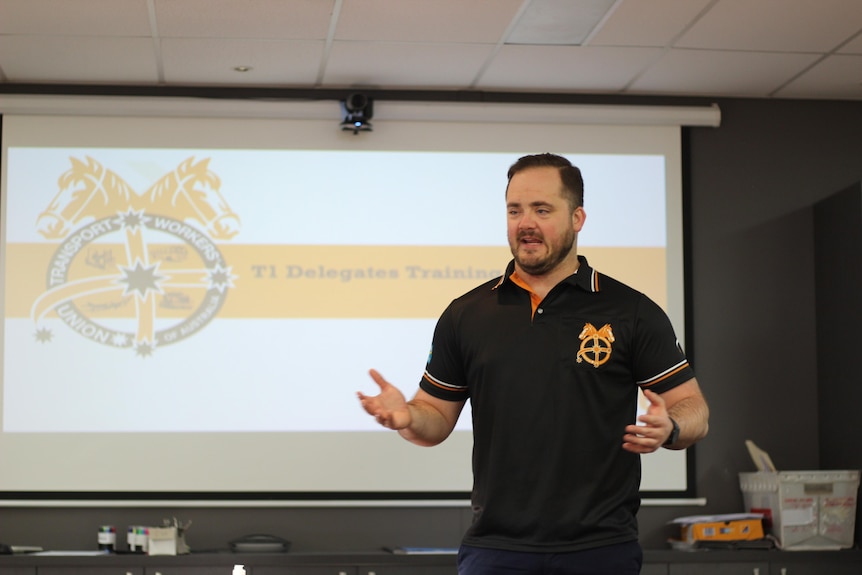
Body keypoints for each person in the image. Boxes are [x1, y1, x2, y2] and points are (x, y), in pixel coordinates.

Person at [358, 153, 709, 575]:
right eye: (515, 210)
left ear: (577, 218)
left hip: (600, 549)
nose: (526, 223)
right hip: (496, 549)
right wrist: (407, 417)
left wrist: (671, 427)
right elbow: (434, 419)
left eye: (542, 210)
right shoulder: (466, 313)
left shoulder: (631, 310)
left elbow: (695, 410)